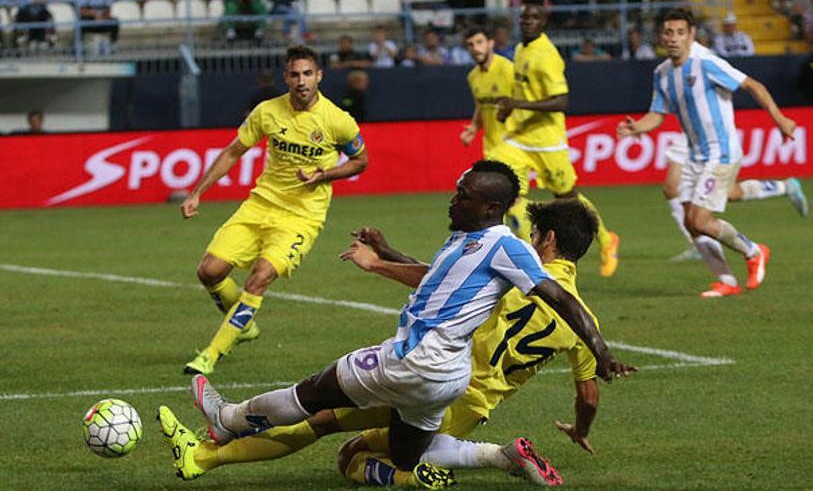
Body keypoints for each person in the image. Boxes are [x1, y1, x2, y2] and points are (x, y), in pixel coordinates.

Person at [160, 161, 633, 485]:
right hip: (449, 384)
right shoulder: (472, 242)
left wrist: (604, 349)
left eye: (462, 195)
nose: (453, 199)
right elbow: (442, 279)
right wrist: (386, 254)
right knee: (407, 455)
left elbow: (555, 296)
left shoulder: (509, 248)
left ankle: (223, 423)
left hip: (412, 361)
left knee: (313, 402)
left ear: (491, 209)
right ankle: (464, 463)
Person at [178, 46, 369, 375]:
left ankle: (211, 354)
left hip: (302, 216)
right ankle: (243, 326)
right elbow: (233, 151)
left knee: (260, 277)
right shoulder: (267, 111)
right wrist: (198, 191)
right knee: (208, 271)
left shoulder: (338, 121)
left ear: (319, 76)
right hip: (260, 205)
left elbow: (360, 161)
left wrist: (323, 175)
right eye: (295, 74)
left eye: (308, 74)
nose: (301, 81)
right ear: (286, 77)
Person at [618, 8, 797, 298]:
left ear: (691, 35)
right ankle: (726, 280)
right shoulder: (662, 74)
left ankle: (754, 251)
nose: (673, 38)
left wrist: (780, 119)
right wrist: (637, 127)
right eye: (668, 32)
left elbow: (753, 85)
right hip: (694, 154)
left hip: (722, 152)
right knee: (690, 222)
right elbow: (657, 114)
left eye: (679, 32)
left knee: (700, 219)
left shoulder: (706, 63)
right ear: (661, 37)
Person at [488, 0, 621, 278]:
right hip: (521, 136)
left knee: (567, 199)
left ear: (544, 22)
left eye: (534, 18)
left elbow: (560, 101)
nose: (528, 22)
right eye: (524, 17)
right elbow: (523, 89)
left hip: (548, 140)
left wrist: (517, 105)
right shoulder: (522, 48)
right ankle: (529, 253)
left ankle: (607, 241)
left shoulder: (547, 55)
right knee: (501, 175)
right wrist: (508, 110)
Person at [661, 131, 809, 262]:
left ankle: (700, 245)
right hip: (693, 133)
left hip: (704, 136)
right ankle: (783, 187)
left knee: (672, 187)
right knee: (730, 193)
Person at [460, 27, 515, 158]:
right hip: (491, 149)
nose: (475, 48)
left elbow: (525, 102)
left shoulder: (507, 69)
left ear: (490, 43)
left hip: (514, 147)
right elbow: (481, 106)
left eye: (479, 42)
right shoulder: (473, 76)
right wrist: (474, 127)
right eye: (470, 44)